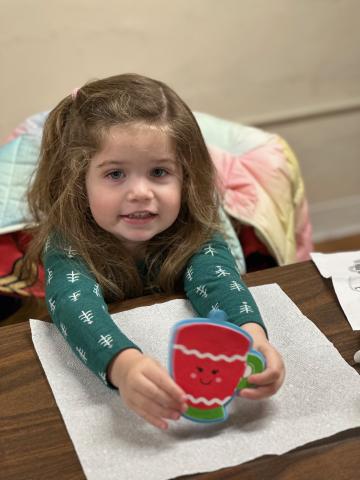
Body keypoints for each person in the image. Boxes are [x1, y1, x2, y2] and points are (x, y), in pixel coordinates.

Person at [25, 73, 285, 430]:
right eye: (116, 174)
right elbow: (73, 306)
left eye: (159, 172)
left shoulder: (192, 226)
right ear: (79, 180)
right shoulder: (68, 240)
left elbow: (218, 280)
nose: (140, 193)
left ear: (185, 177)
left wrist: (252, 337)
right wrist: (123, 365)